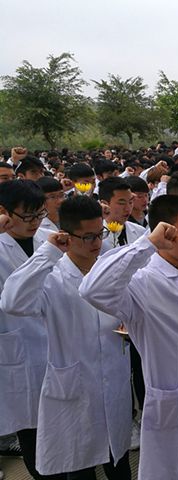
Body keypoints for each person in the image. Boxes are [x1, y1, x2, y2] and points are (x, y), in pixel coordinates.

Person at [79, 196, 178, 479]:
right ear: (165, 234)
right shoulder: (142, 281)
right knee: (176, 468)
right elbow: (93, 290)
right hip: (174, 402)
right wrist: (147, 244)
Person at [1, 196, 132, 479]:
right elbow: (12, 302)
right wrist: (48, 252)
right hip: (74, 383)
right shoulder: (52, 277)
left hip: (114, 376)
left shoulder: (106, 265)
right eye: (87, 237)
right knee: (80, 465)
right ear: (66, 236)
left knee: (119, 460)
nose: (96, 243)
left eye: (100, 233)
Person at [0, 180, 58, 480]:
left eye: (40, 214)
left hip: (55, 341)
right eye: (27, 216)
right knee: (32, 429)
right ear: (4, 212)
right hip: (17, 344)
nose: (35, 223)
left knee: (60, 423)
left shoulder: (49, 240)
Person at [98, 177, 145, 254]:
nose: (128, 208)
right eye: (121, 203)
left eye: (130, 202)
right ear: (104, 203)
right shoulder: (98, 237)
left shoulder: (140, 232)